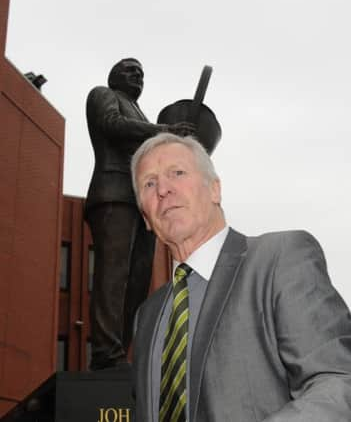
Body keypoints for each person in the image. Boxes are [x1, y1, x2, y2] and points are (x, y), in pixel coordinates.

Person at [131, 132, 351, 421]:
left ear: (215, 190)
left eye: (178, 173)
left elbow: (338, 382)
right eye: (149, 183)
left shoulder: (281, 259)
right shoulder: (146, 316)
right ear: (146, 217)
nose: (163, 189)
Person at [85, 58, 193, 370]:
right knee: (113, 276)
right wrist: (166, 131)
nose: (138, 76)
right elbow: (112, 125)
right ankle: (105, 354)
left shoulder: (140, 112)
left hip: (142, 204)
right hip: (114, 194)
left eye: (142, 73)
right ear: (113, 75)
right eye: (131, 70)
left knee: (137, 280)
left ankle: (119, 352)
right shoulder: (103, 95)